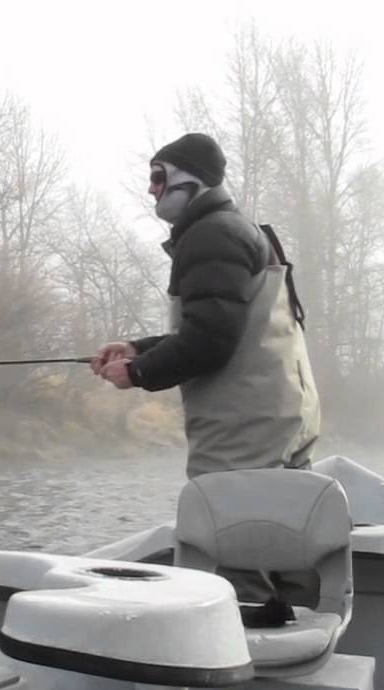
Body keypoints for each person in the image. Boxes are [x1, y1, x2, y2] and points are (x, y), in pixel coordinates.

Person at [91, 132, 322, 613]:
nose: (151, 190)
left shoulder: (211, 235)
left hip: (244, 426)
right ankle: (300, 643)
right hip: (280, 415)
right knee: (288, 546)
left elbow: (210, 342)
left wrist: (137, 374)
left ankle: (247, 665)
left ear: (190, 182)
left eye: (159, 178)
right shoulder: (231, 229)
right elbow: (220, 323)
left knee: (231, 554)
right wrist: (136, 349)